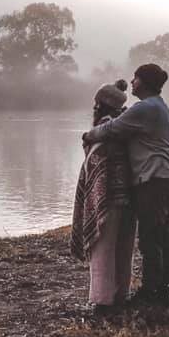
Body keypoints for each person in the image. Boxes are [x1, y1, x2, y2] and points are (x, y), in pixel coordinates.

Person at [82, 63, 169, 307]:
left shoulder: (145, 108)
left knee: (149, 237)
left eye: (135, 78)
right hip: (168, 178)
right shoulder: (158, 107)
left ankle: (150, 291)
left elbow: (111, 129)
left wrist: (88, 135)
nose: (132, 82)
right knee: (162, 235)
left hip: (153, 180)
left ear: (144, 82)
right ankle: (162, 286)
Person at [71, 79, 136, 317]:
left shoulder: (107, 127)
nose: (94, 108)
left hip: (108, 197)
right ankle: (120, 294)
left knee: (103, 248)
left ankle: (103, 300)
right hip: (128, 194)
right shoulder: (126, 125)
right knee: (123, 247)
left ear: (102, 105)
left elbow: (100, 161)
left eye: (97, 103)